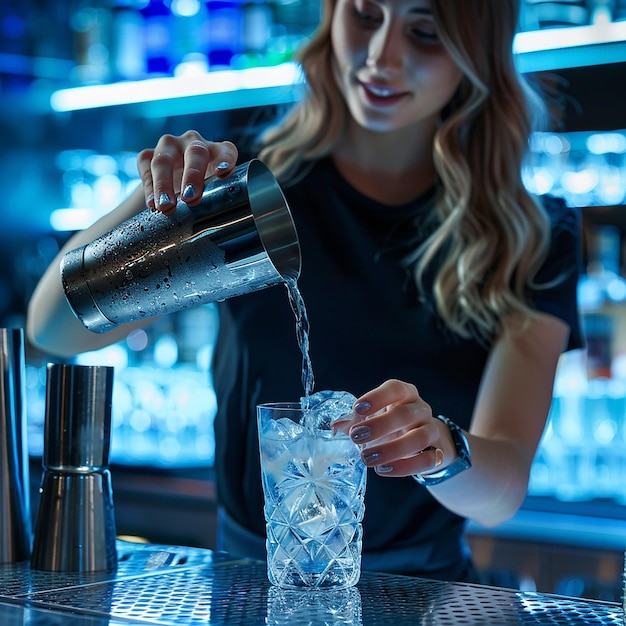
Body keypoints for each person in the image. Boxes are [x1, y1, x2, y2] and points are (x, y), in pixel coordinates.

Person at [27, 0, 583, 583]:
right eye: (365, 17)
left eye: (424, 32)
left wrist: (438, 448)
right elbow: (49, 331)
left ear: (479, 56)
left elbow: (503, 492)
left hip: (423, 598)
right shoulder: (249, 189)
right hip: (243, 587)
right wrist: (153, 206)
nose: (379, 56)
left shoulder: (530, 236)